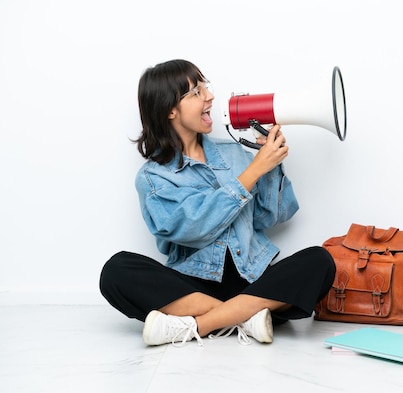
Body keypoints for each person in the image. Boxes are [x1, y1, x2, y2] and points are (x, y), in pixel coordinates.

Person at [99, 59, 336, 347]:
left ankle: (199, 325)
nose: (209, 96)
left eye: (205, 88)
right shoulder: (153, 177)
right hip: (191, 287)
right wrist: (252, 173)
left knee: (320, 261)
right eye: (196, 92)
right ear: (170, 109)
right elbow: (191, 227)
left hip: (254, 282)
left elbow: (271, 217)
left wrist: (270, 166)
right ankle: (246, 318)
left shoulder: (234, 154)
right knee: (116, 270)